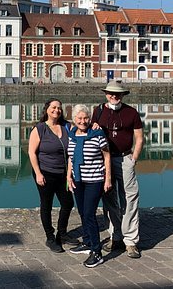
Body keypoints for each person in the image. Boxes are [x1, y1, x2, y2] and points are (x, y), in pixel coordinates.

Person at [92, 80, 144, 259]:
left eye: (117, 94)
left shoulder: (131, 112)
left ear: (123, 95)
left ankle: (130, 241)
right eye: (110, 93)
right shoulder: (98, 111)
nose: (114, 96)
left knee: (130, 198)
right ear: (106, 94)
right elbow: (89, 133)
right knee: (109, 199)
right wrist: (94, 127)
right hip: (104, 161)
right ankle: (115, 236)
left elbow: (139, 137)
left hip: (124, 158)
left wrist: (134, 158)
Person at [28, 98, 78, 253]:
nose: (57, 110)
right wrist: (38, 173)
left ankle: (62, 233)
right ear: (47, 109)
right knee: (46, 205)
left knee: (68, 203)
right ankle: (50, 238)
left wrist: (94, 125)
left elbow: (82, 131)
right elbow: (32, 152)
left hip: (64, 173)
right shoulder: (40, 128)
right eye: (53, 107)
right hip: (45, 172)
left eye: (59, 108)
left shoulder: (67, 126)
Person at [66, 105, 112, 268]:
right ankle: (87, 242)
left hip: (95, 180)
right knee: (81, 212)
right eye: (79, 118)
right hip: (78, 180)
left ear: (90, 119)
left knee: (89, 214)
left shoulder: (97, 135)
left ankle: (97, 251)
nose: (83, 121)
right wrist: (68, 176)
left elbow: (106, 156)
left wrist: (108, 179)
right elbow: (71, 157)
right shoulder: (72, 135)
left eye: (86, 118)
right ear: (74, 119)